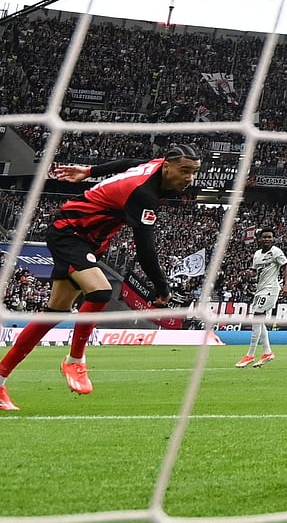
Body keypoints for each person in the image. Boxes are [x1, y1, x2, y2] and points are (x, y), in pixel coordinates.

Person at [0, 145, 202, 411]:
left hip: (87, 240)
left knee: (54, 313)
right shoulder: (144, 194)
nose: (190, 178)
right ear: (167, 166)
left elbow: (129, 160)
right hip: (71, 232)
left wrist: (90, 171)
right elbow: (144, 248)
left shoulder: (154, 167)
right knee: (100, 291)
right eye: (185, 171)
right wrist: (161, 283)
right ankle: (75, 360)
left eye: (195, 173)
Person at [236, 228, 287, 368]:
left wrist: (286, 285)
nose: (267, 239)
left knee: (257, 318)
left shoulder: (276, 252)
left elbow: (286, 267)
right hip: (260, 290)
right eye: (264, 237)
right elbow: (255, 271)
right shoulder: (257, 255)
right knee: (259, 322)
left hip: (271, 289)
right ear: (259, 239)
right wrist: (250, 273)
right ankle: (267, 352)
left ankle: (250, 354)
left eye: (269, 237)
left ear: (273, 239)